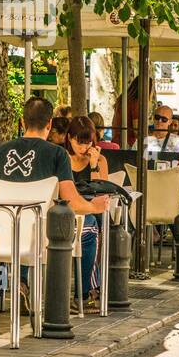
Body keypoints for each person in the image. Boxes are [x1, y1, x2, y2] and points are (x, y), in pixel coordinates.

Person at [0, 97, 110, 315]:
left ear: (22, 122)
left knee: (15, 228)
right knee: (89, 227)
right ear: (50, 124)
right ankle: (80, 296)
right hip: (39, 233)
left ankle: (4, 290)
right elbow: (70, 201)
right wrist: (94, 207)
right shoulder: (57, 154)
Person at [66, 116, 110, 307]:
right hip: (69, 212)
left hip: (92, 210)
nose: (83, 148)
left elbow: (100, 190)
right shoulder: (63, 158)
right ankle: (88, 290)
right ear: (69, 139)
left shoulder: (100, 160)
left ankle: (88, 290)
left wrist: (93, 165)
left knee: (95, 223)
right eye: (79, 142)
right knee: (91, 227)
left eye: (88, 143)